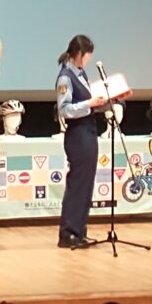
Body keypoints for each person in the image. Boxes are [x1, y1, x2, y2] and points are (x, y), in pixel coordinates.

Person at [55, 34, 108, 249]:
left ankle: (79, 230)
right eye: (87, 55)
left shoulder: (81, 73)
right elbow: (64, 109)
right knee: (77, 184)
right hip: (78, 135)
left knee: (86, 185)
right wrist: (89, 104)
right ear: (78, 54)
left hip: (88, 131)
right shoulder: (65, 77)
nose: (89, 59)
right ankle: (68, 233)